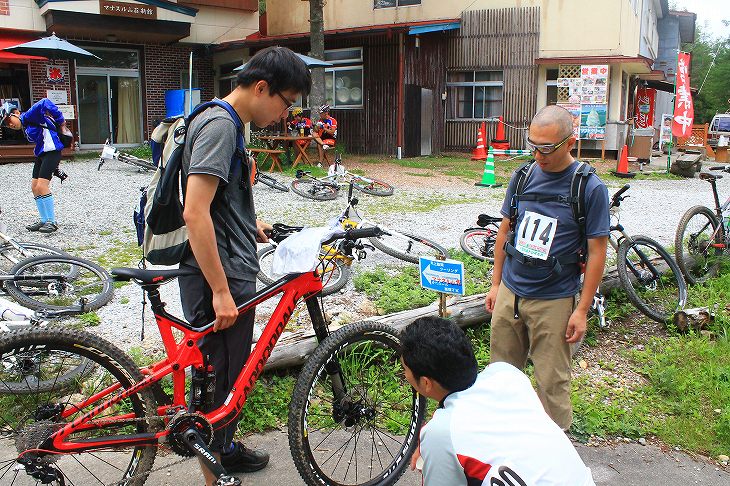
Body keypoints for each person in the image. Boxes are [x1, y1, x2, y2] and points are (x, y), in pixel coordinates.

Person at [178, 46, 310, 486]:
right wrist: (219, 290)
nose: (285, 114)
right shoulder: (221, 126)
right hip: (218, 273)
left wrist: (254, 226)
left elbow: (215, 204)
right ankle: (213, 474)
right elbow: (194, 212)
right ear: (261, 87)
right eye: (286, 102)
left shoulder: (220, 119)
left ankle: (226, 450)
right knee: (217, 380)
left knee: (229, 376)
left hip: (227, 262)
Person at [484, 105, 610, 431]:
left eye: (547, 148)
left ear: (570, 143)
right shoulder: (522, 176)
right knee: (501, 375)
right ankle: (504, 441)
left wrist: (581, 310)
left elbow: (597, 253)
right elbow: (505, 231)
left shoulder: (589, 187)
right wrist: (497, 284)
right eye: (533, 145)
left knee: (552, 382)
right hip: (511, 292)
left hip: (554, 299)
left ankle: (553, 455)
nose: (539, 155)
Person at [401, 316, 596, 486]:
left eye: (405, 370)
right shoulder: (506, 374)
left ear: (426, 383)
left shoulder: (442, 432)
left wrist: (436, 445)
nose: (405, 374)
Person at [1, 98, 70, 233]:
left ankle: (52, 221)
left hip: (52, 152)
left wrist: (61, 121)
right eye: (6, 125)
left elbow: (45, 102)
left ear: (16, 113)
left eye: (9, 121)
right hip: (41, 154)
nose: (10, 125)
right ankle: (44, 220)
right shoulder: (26, 123)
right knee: (34, 187)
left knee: (41, 186)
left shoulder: (29, 115)